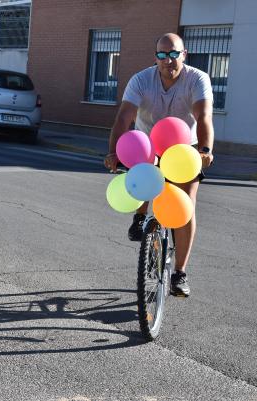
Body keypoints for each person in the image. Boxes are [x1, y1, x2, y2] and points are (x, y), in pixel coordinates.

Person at [104, 33, 215, 297]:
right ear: (156, 57)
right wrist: (112, 152)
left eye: (174, 54)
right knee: (143, 167)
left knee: (185, 207)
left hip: (184, 149)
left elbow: (204, 117)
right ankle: (141, 215)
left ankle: (179, 273)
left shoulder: (197, 79)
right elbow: (123, 119)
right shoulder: (141, 80)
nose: (168, 60)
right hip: (147, 145)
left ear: (183, 54)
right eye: (163, 55)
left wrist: (205, 150)